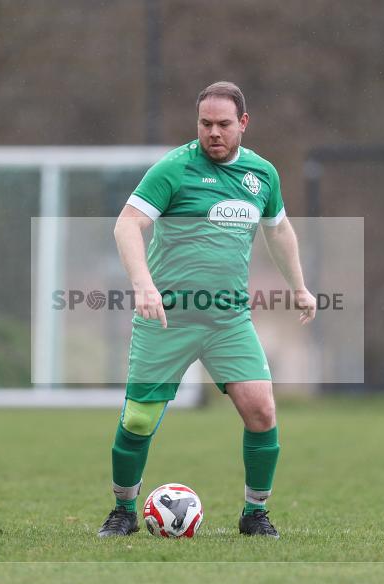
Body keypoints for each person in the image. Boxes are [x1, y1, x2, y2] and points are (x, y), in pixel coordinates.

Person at [98, 81, 316, 539]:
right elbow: (127, 224)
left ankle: (255, 514)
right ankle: (123, 511)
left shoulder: (262, 175)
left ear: (243, 124)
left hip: (228, 320)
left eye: (222, 124)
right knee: (138, 419)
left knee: (261, 411)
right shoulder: (173, 169)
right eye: (204, 124)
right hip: (166, 316)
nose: (212, 133)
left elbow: (278, 232)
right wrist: (143, 285)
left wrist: (299, 286)